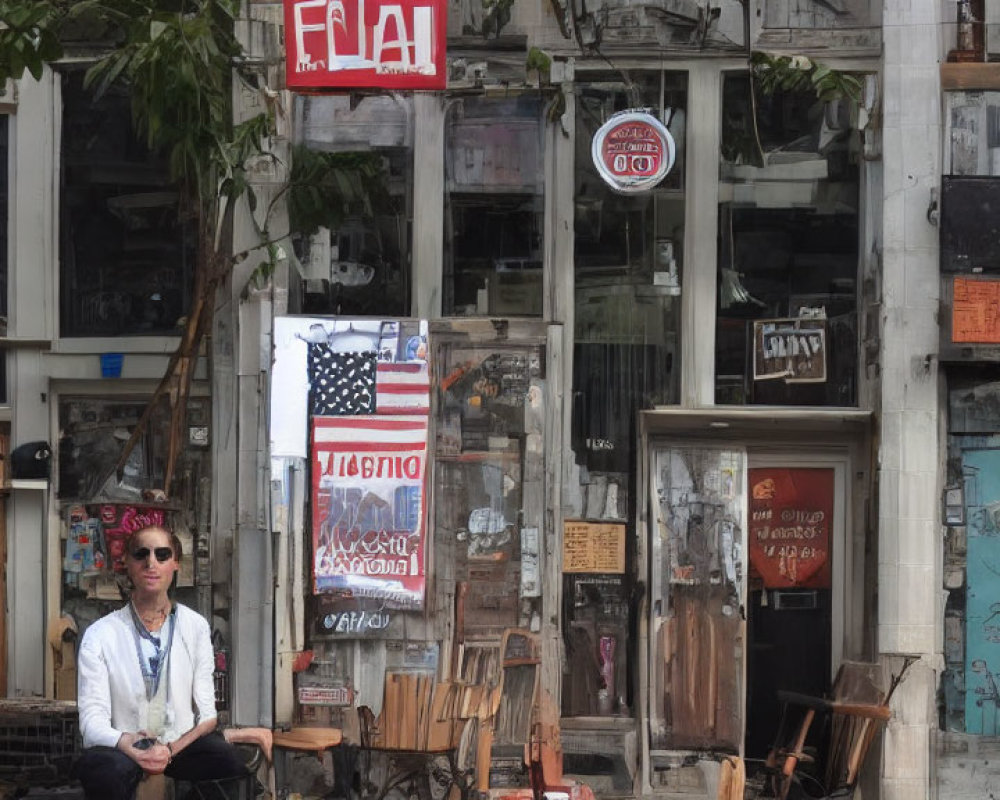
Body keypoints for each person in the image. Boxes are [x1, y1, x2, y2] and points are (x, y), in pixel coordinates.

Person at [72, 524, 248, 800]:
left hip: (178, 743)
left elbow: (207, 715)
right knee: (101, 771)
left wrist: (170, 749)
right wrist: (126, 742)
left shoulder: (195, 627)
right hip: (126, 745)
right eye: (141, 554)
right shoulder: (101, 634)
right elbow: (91, 721)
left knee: (229, 763)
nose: (151, 563)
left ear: (175, 563)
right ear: (127, 564)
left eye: (162, 554)